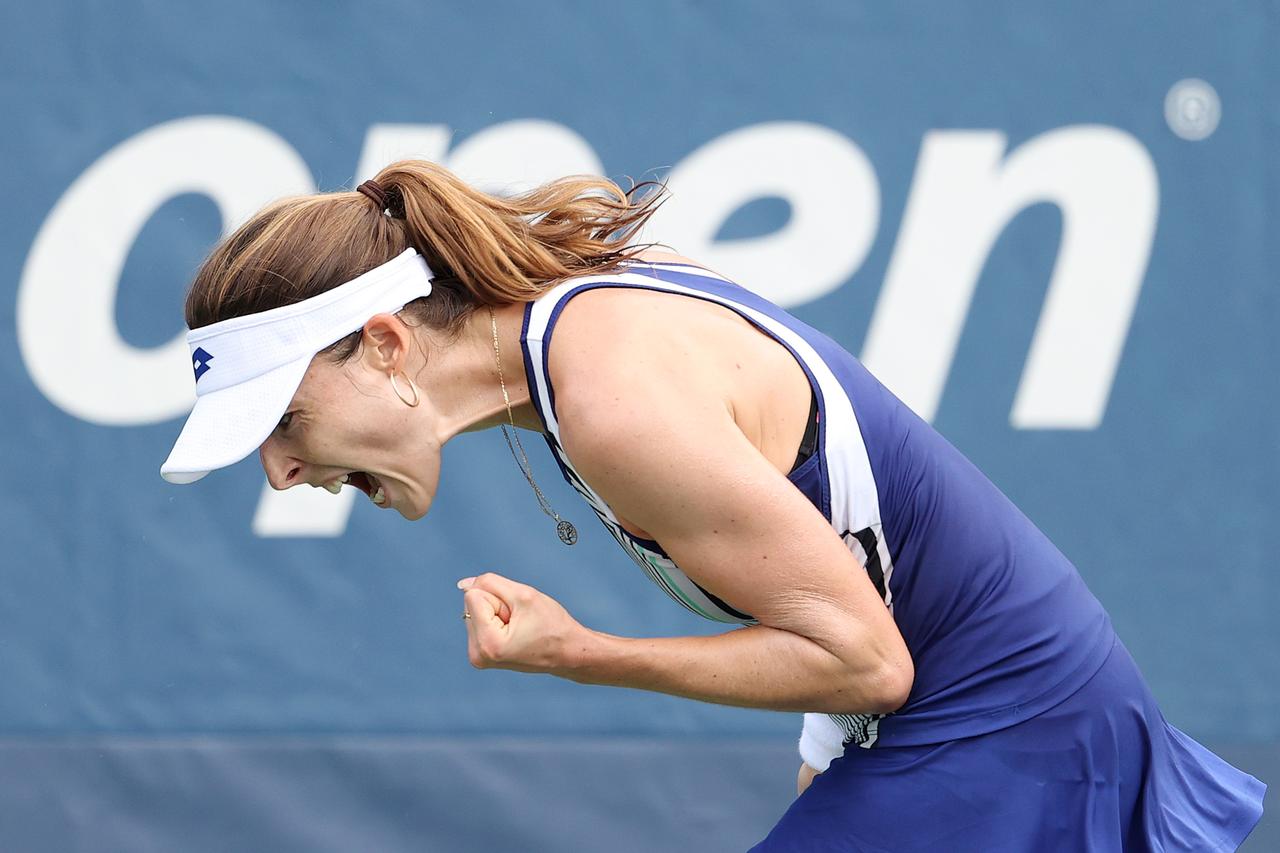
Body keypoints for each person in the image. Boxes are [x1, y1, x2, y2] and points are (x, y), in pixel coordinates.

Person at [161, 160, 1265, 851]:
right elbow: (849, 562)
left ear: (389, 344)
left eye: (284, 426)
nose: (279, 475)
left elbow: (863, 658)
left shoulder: (611, 399)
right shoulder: (573, 347)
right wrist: (834, 753)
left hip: (1010, 728)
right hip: (996, 717)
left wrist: (578, 651)